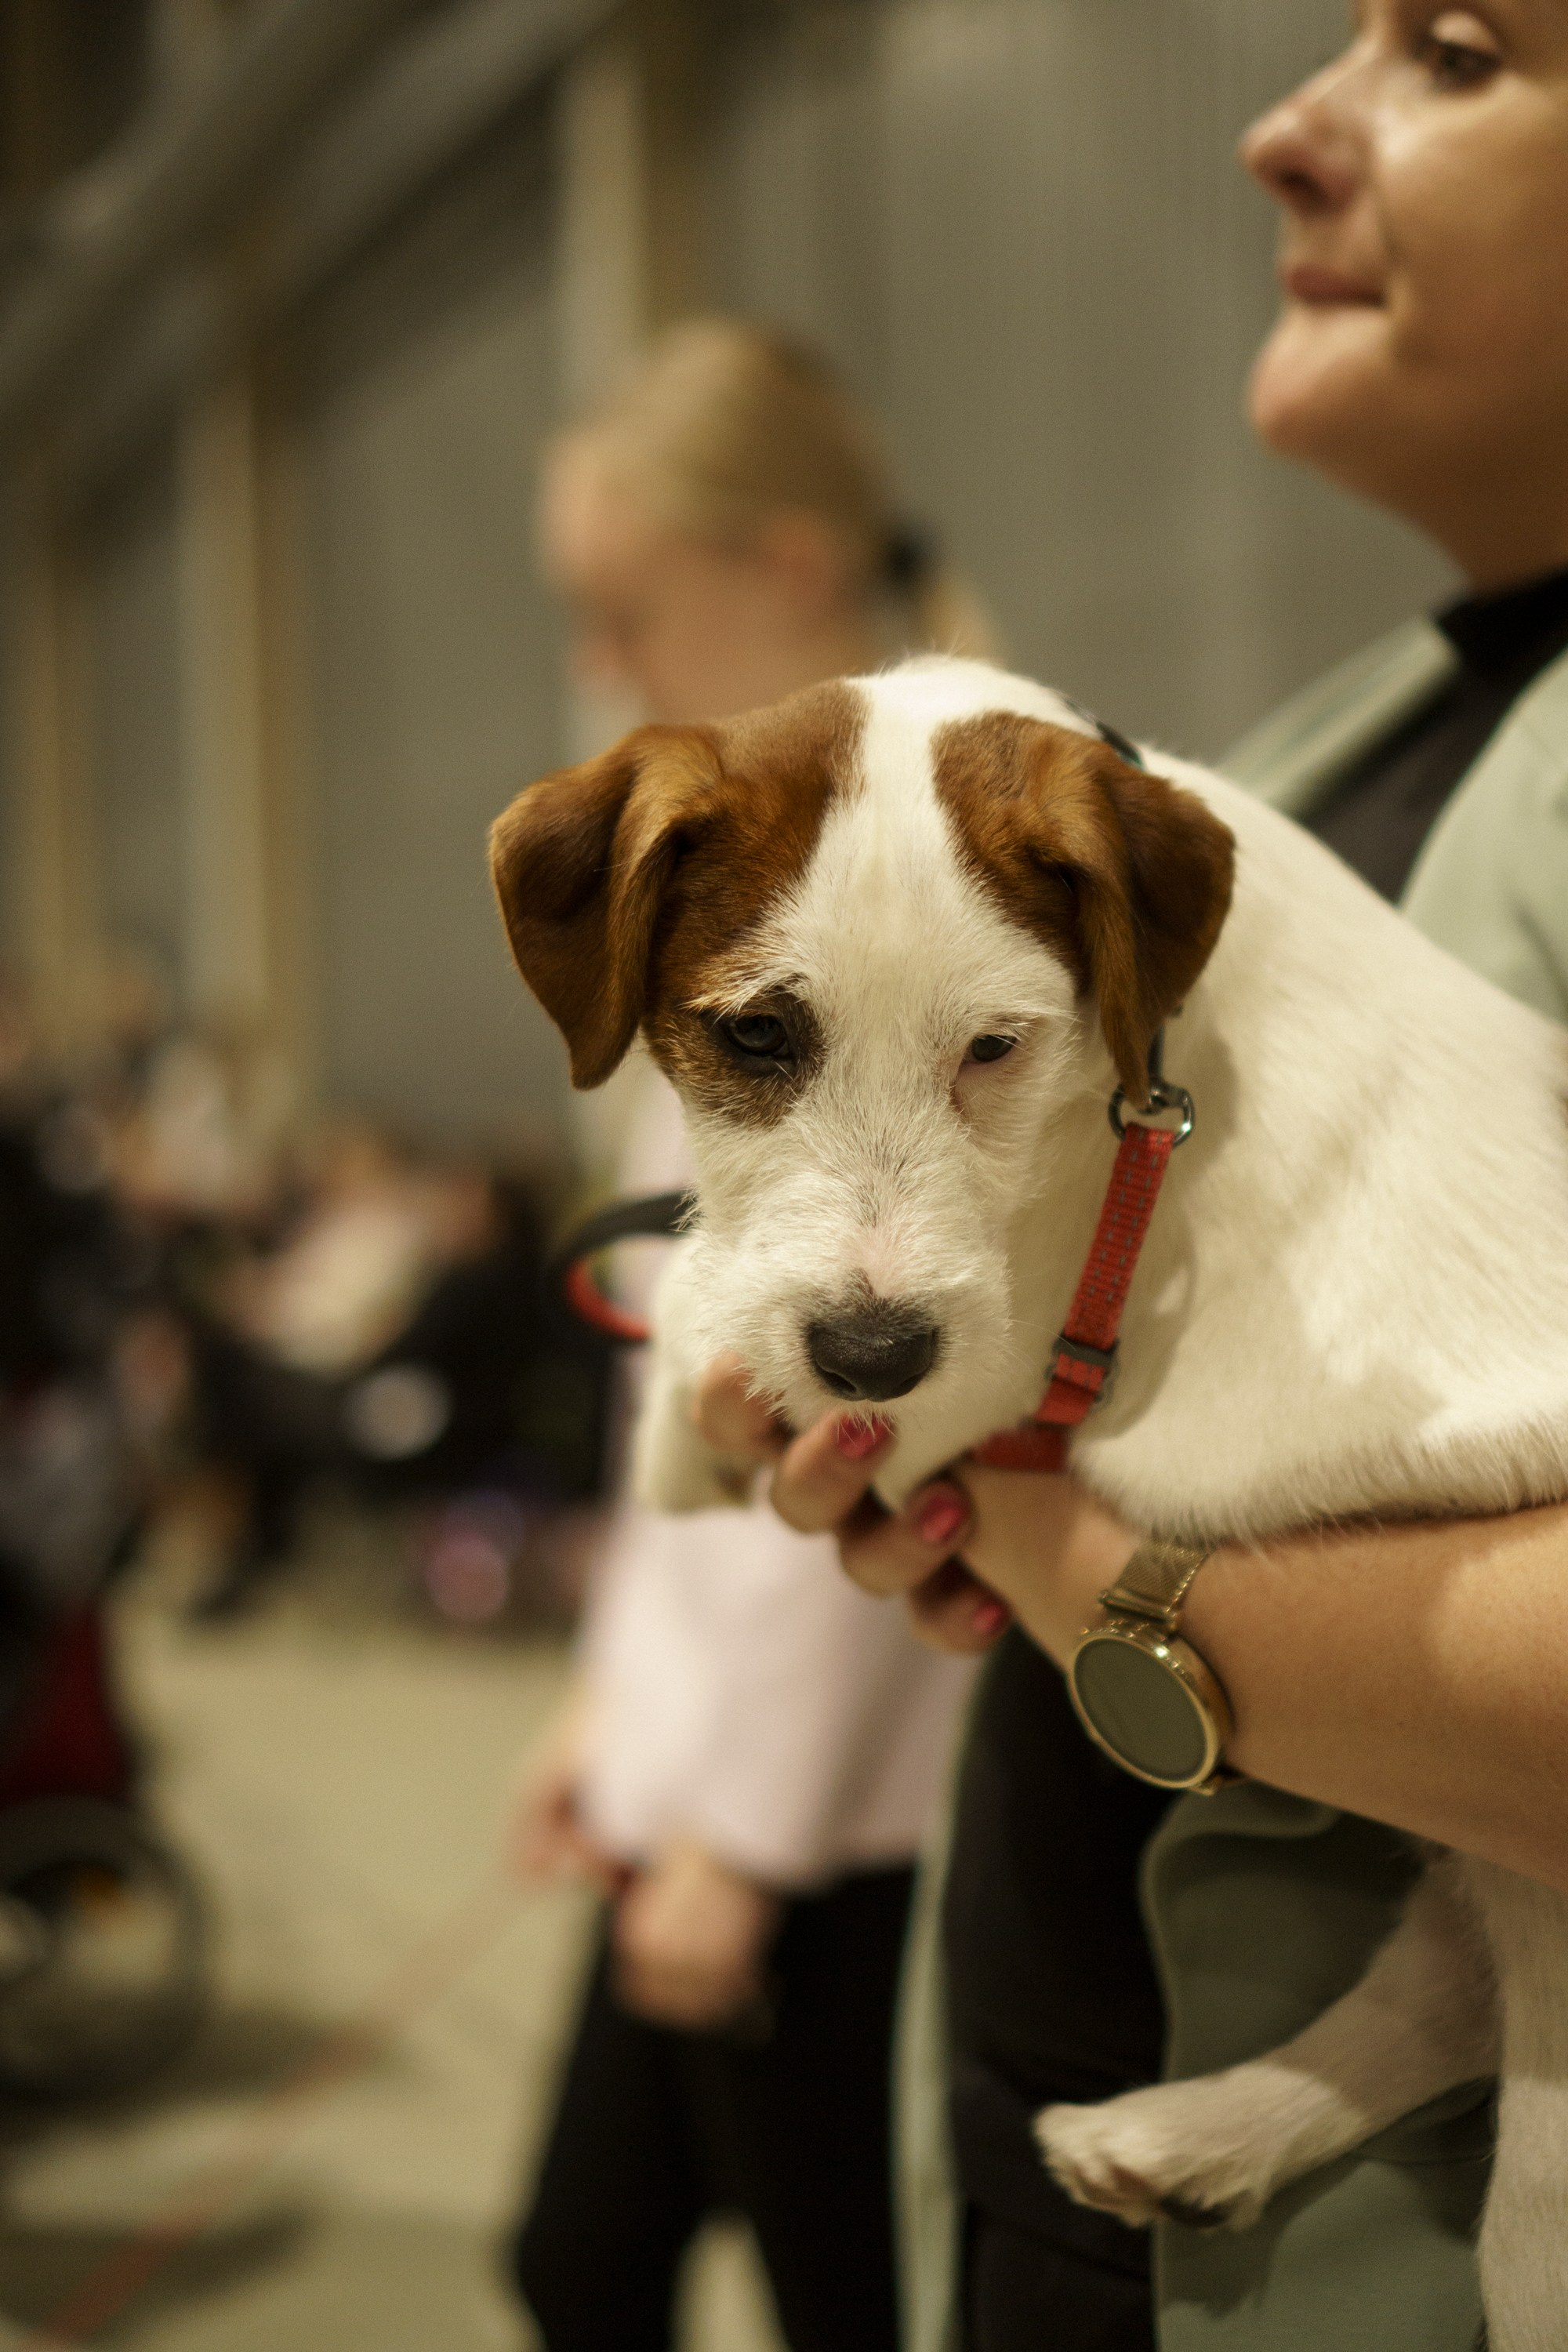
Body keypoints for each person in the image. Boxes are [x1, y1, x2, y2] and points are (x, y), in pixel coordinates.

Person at [696, 9, 1568, 2348]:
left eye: (1461, 49)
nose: (1286, 122)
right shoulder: (1325, 739)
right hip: (1074, 2165)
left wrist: (1072, 1563)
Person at [509, 320, 991, 2352]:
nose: (605, 666)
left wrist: (747, 1831)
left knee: (829, 2294)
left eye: (624, 612)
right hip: (709, 1770)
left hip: (838, 1810)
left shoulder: (921, 864)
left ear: (788, 567)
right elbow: (686, 1378)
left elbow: (873, 1393)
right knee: (581, 2257)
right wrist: (615, 1719)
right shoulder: (755, 851)